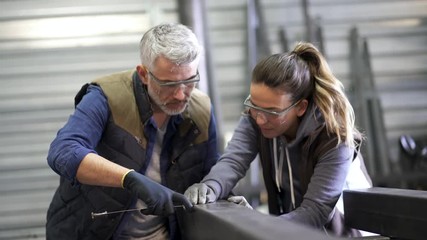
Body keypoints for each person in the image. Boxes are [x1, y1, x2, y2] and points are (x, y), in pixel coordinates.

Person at [46, 23, 220, 240]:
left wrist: (219, 191)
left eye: (189, 81)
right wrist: (129, 179)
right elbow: (63, 151)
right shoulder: (106, 98)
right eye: (168, 84)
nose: (180, 95)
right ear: (144, 74)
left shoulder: (201, 110)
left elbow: (214, 173)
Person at [185, 42, 371, 237]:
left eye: (272, 111)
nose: (260, 118)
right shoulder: (256, 117)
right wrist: (210, 186)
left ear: (301, 107)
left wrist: (259, 222)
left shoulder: (334, 138)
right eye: (254, 105)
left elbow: (316, 211)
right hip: (291, 229)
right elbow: (233, 161)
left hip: (345, 233)